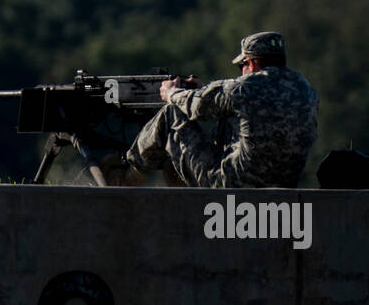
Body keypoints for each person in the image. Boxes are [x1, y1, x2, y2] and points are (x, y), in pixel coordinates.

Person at [119, 31, 318, 188]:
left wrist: (172, 93)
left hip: (233, 184)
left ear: (251, 62)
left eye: (242, 65)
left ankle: (125, 181)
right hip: (282, 184)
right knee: (230, 122)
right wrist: (204, 91)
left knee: (171, 115)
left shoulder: (246, 87)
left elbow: (197, 106)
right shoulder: (305, 88)